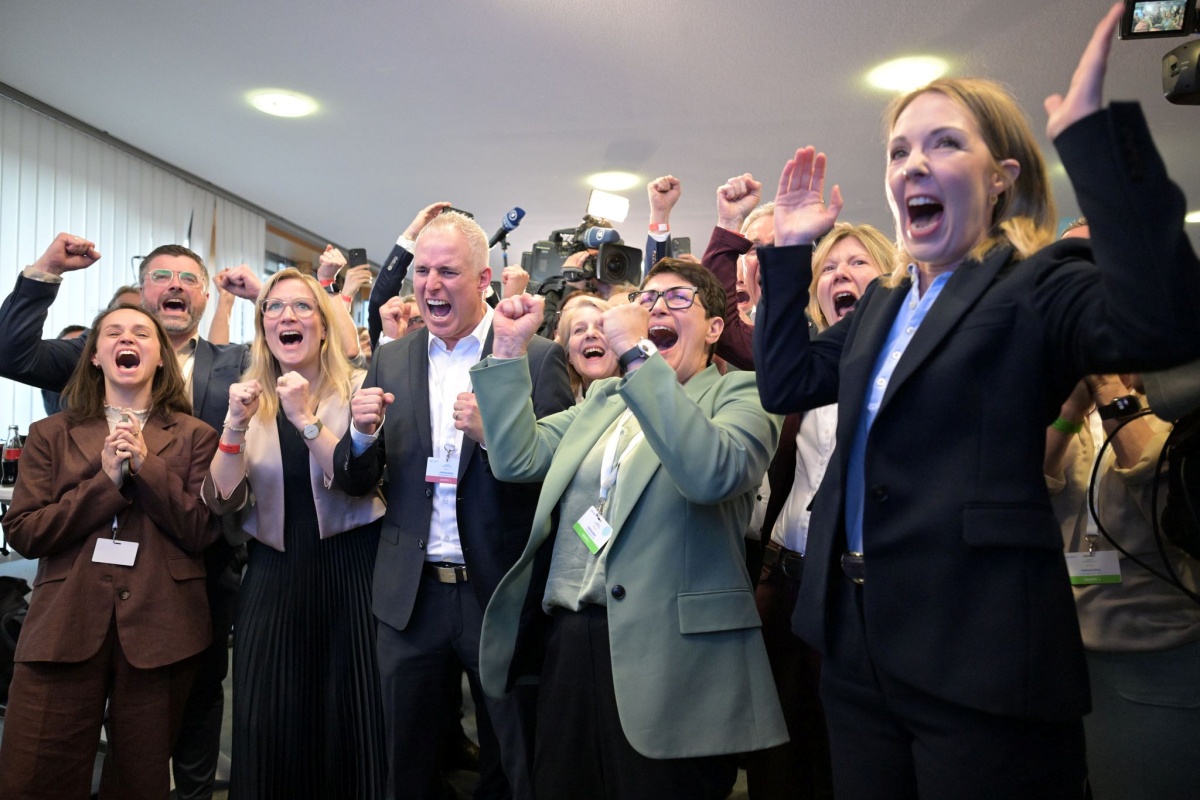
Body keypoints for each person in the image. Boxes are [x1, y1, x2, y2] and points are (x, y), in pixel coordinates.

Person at [751, 7, 1200, 798]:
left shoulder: (1033, 284)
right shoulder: (881, 308)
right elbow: (785, 383)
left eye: (944, 142)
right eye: (898, 150)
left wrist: (1098, 139)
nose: (912, 164)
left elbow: (1161, 319)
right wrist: (787, 253)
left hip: (980, 655)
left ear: (1003, 177)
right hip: (856, 646)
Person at [470, 258, 787, 799]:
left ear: (715, 328)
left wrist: (640, 356)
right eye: (648, 297)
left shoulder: (745, 395)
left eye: (678, 299)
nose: (658, 306)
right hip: (573, 643)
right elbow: (518, 459)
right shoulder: (604, 399)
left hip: (673, 657)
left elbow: (712, 472)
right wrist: (506, 351)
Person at [0, 235, 256, 799]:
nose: (176, 287)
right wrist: (107, 482)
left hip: (176, 606)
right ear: (93, 351)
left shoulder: (217, 390)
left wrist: (145, 467)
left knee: (157, 763)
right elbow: (23, 528)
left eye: (190, 278)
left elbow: (203, 520)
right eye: (162, 276)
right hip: (67, 621)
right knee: (37, 768)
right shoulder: (55, 431)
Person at [333, 210, 572, 800]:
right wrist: (360, 438)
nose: (431, 284)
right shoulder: (392, 358)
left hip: (498, 595)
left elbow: (559, 485)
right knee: (406, 764)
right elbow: (357, 480)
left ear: (484, 279)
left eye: (448, 271)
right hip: (411, 599)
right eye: (422, 271)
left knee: (512, 759)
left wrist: (498, 438)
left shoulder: (537, 358)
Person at [203, 268, 387, 799]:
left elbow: (356, 481)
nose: (287, 316)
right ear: (262, 327)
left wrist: (304, 418)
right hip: (273, 572)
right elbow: (220, 499)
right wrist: (234, 426)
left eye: (302, 307)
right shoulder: (247, 396)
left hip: (351, 569)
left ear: (325, 327)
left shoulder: (359, 389)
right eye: (274, 308)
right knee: (268, 715)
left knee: (351, 716)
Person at [1045, 369, 1200, 800]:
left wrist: (1110, 390)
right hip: (1069, 659)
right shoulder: (1069, 411)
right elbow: (1018, 491)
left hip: (1160, 655)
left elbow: (1168, 503)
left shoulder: (1178, 398)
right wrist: (1070, 411)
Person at [553, 295, 617, 401]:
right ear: (569, 355)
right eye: (579, 330)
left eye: (602, 327)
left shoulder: (643, 395)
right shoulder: (558, 403)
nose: (590, 333)